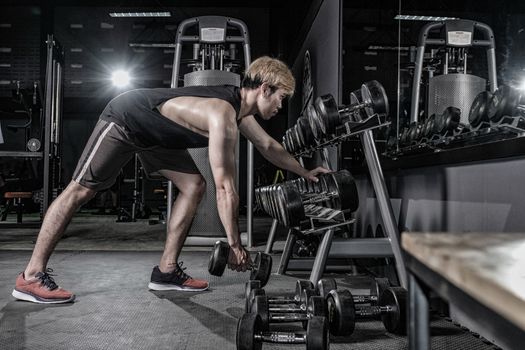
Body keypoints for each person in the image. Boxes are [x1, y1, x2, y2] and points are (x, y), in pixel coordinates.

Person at [12, 56, 330, 304]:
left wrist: (304, 172)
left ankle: (166, 271)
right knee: (80, 191)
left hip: (156, 136)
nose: (280, 105)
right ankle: (32, 275)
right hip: (128, 117)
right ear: (264, 89)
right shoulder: (223, 115)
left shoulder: (238, 112)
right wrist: (235, 244)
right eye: (280, 98)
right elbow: (225, 186)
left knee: (194, 186)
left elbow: (268, 146)